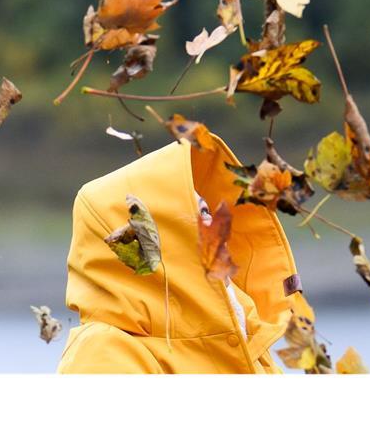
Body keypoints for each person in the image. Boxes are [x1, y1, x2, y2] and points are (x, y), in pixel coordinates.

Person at [57, 132, 303, 373]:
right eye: (202, 213)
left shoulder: (249, 338)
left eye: (208, 210)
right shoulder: (104, 351)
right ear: (160, 237)